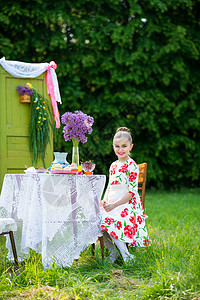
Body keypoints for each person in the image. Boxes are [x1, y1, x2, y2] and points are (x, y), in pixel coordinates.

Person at [100, 127, 149, 263]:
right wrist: (104, 200)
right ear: (113, 146)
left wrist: (115, 205)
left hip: (127, 205)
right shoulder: (113, 165)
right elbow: (110, 186)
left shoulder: (131, 165)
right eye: (117, 146)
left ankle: (127, 255)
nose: (120, 150)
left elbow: (132, 193)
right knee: (98, 220)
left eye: (124, 146)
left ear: (130, 147)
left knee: (108, 221)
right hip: (113, 203)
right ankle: (113, 252)